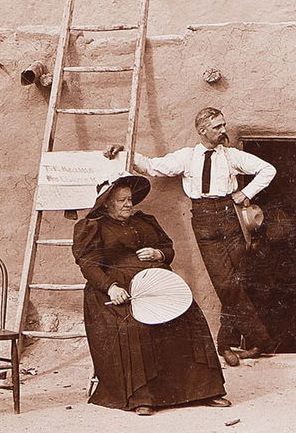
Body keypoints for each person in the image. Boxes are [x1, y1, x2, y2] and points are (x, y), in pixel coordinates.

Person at [122, 107, 276, 366]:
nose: (223, 130)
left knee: (235, 282)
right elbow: (152, 166)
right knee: (225, 283)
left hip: (231, 218)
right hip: (204, 220)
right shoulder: (187, 157)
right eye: (217, 127)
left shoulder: (231, 156)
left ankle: (226, 344)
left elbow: (267, 170)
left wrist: (246, 193)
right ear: (202, 130)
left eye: (224, 125)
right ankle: (259, 339)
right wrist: (126, 154)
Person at [72, 174, 231, 415]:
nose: (128, 204)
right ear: (107, 204)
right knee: (135, 326)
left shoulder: (144, 221)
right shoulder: (94, 226)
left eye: (130, 199)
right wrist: (111, 287)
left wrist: (159, 254)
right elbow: (89, 264)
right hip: (116, 291)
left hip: (157, 286)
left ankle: (204, 391)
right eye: (122, 200)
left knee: (189, 317)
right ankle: (142, 397)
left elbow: (168, 249)